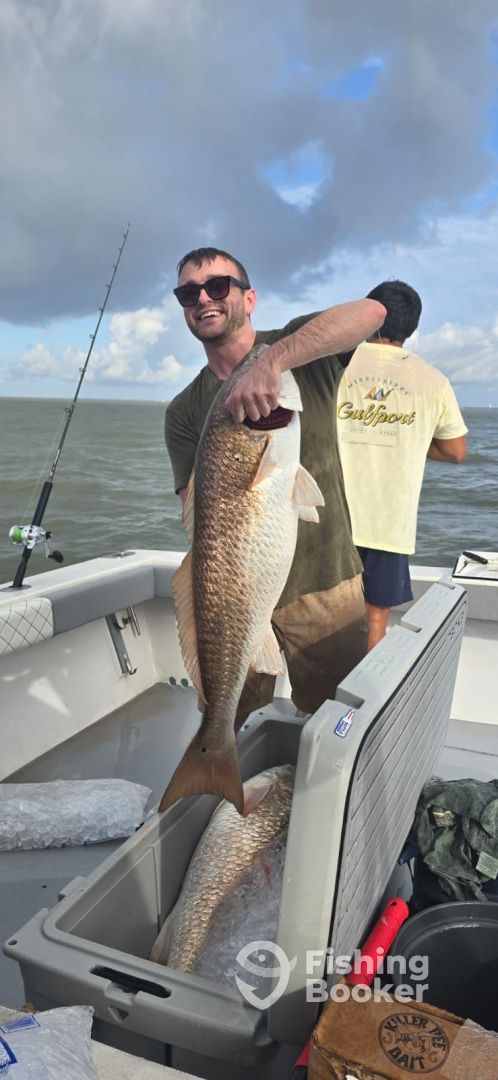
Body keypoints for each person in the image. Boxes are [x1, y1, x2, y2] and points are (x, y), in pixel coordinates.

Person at [165, 246, 386, 727]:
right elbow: (197, 516)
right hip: (232, 595)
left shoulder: (300, 345)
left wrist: (272, 363)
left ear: (249, 298)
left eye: (217, 286)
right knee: (222, 718)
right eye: (188, 293)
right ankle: (218, 766)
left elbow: (373, 312)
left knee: (339, 722)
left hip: (324, 584)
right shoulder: (183, 410)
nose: (203, 299)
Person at [337, 279, 468, 651]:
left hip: (329, 518)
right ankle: (363, 691)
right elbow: (455, 451)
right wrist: (412, 439)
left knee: (312, 614)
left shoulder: (333, 364)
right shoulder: (433, 380)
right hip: (388, 523)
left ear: (367, 314)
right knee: (374, 619)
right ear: (411, 326)